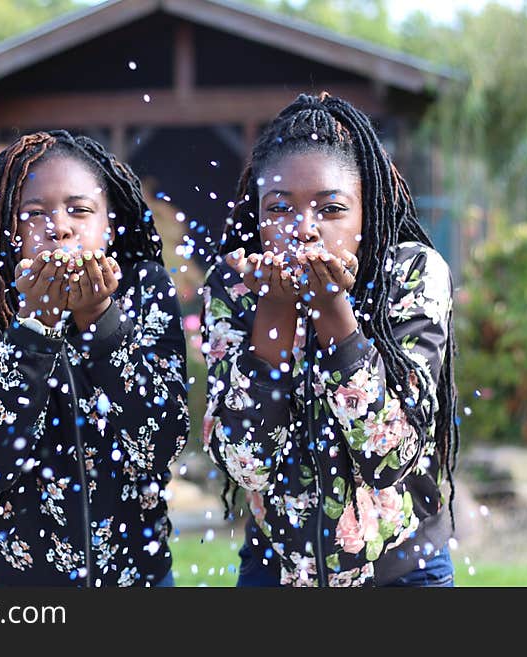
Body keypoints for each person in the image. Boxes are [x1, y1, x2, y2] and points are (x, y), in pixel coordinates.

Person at [201, 92, 460, 587]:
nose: (304, 230)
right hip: (275, 570)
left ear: (367, 211)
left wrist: (330, 308)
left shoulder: (409, 275)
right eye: (279, 208)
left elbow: (387, 457)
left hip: (403, 573)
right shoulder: (237, 287)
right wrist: (274, 312)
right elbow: (246, 465)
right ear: (257, 214)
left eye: (331, 209)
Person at [0, 130, 189, 586]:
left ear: (110, 222)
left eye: (80, 209)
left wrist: (100, 318)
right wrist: (36, 324)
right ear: (8, 227)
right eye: (34, 214)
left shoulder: (145, 290)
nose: (60, 227)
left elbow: (159, 446)